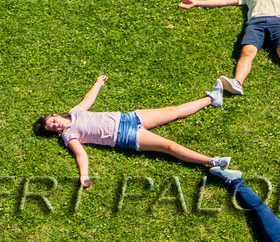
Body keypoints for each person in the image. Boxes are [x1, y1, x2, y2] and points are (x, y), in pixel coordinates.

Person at [34, 71, 232, 191]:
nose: (55, 124)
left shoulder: (74, 112)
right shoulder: (69, 136)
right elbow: (80, 154)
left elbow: (88, 101)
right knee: (169, 146)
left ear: (55, 115)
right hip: (124, 136)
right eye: (52, 128)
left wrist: (97, 84)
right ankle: (213, 161)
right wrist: (84, 175)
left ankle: (212, 99)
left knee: (173, 111)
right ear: (55, 133)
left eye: (52, 121)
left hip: (128, 118)